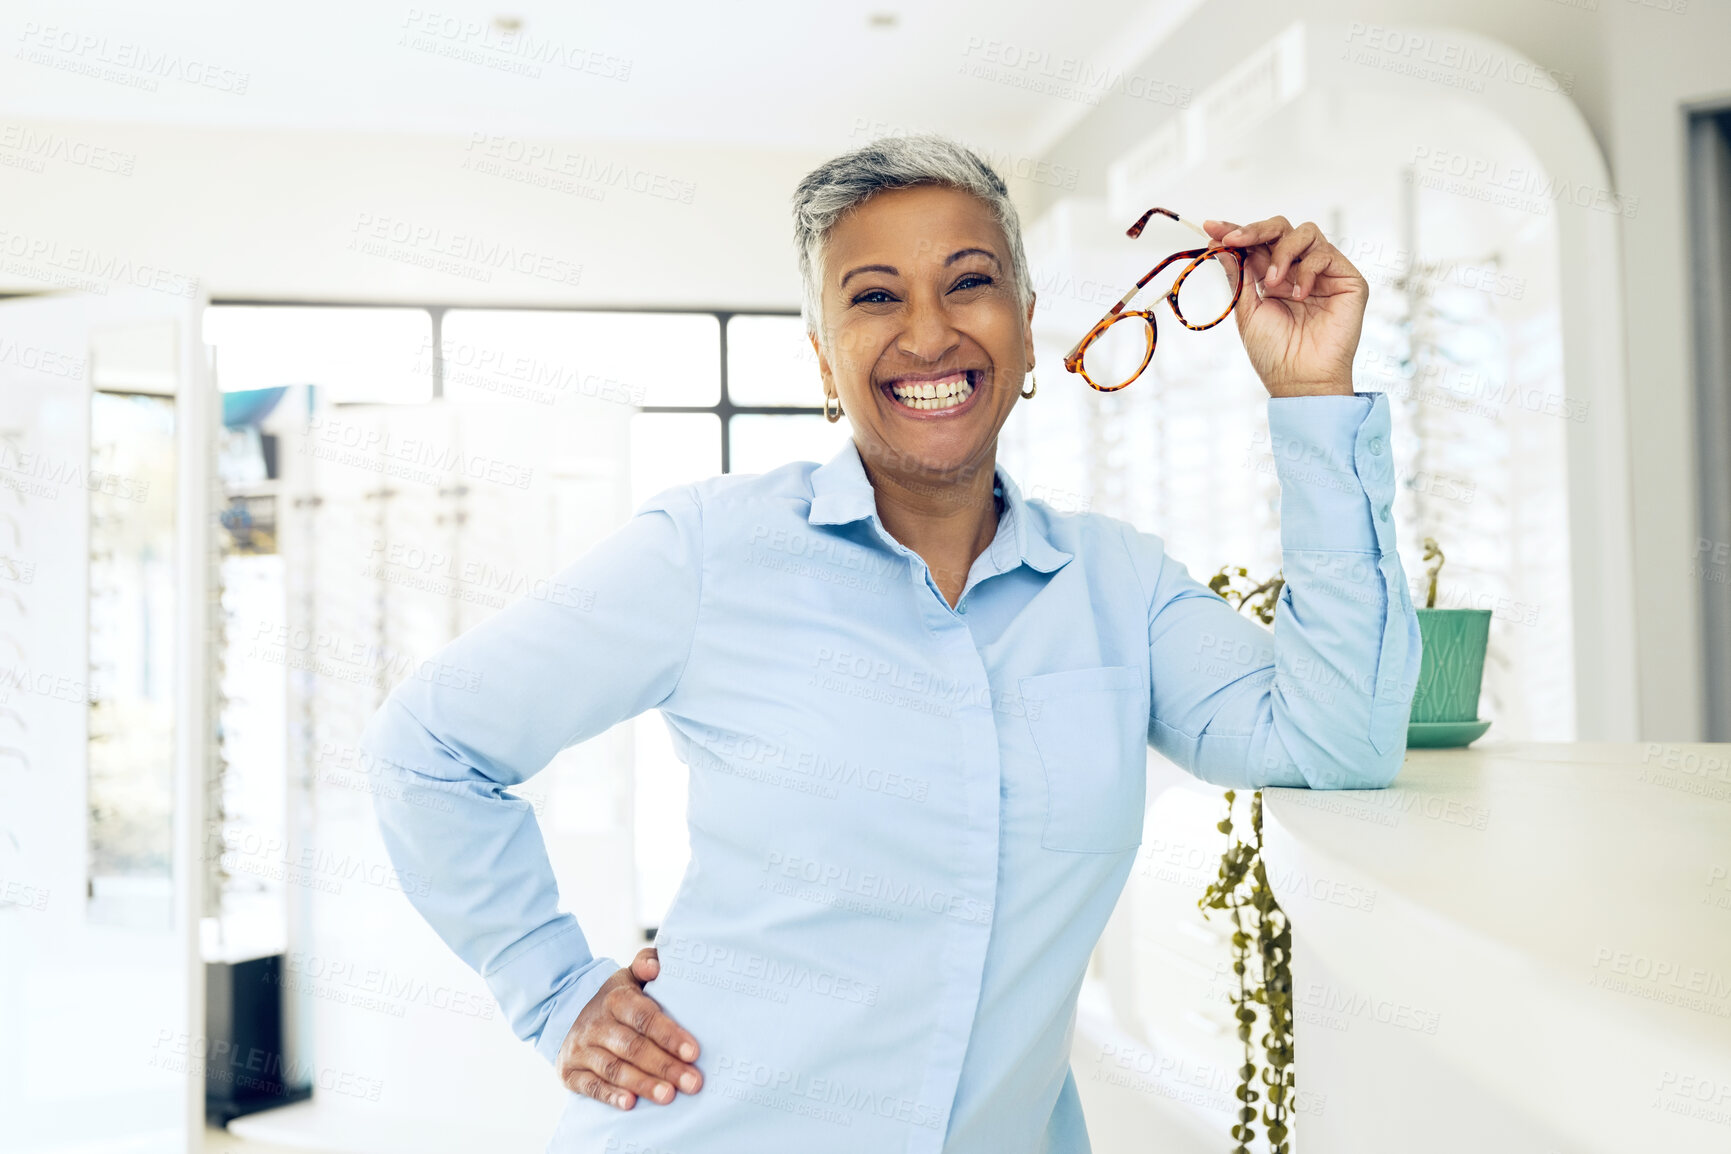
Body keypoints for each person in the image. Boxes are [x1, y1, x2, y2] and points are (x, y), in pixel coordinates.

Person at [362, 134, 1421, 1153]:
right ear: (825, 359)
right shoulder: (711, 552)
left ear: (1027, 324)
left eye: (969, 281)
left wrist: (1315, 396)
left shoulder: (1119, 586)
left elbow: (1335, 743)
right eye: (874, 296)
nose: (927, 334)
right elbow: (426, 744)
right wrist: (555, 987)